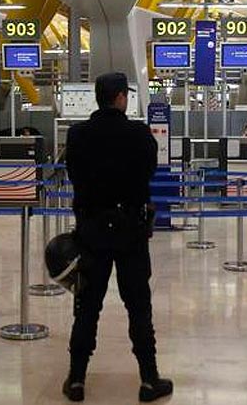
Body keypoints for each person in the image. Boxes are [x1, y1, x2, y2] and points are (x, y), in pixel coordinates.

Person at [63, 72, 172, 402]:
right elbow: (149, 171)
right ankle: (149, 380)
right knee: (139, 307)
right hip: (130, 232)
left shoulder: (78, 135)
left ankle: (77, 379)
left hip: (91, 232)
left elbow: (74, 175)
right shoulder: (139, 134)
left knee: (87, 306)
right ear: (121, 97)